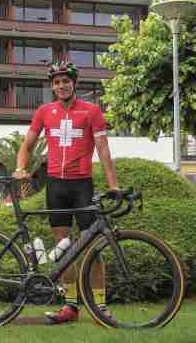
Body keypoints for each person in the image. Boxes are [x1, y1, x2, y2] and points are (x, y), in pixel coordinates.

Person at [13, 60, 120, 324]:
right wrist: (20, 168)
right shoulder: (44, 111)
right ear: (52, 86)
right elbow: (27, 144)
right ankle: (70, 307)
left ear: (74, 83)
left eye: (66, 81)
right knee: (64, 250)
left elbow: (104, 150)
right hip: (56, 186)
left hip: (82, 185)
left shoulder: (91, 111)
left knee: (94, 249)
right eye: (57, 82)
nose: (61, 85)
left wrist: (113, 185)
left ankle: (101, 307)